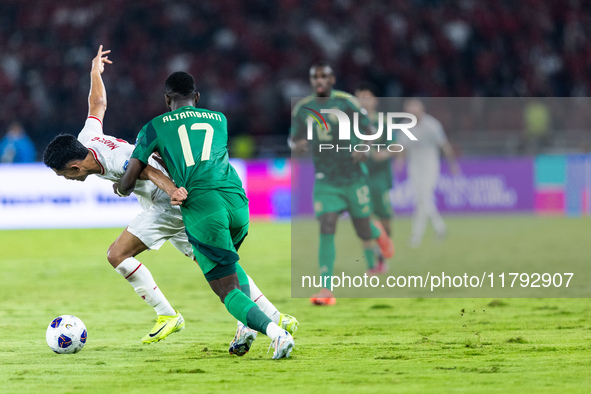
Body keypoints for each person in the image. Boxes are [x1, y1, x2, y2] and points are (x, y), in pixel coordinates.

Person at [43, 47, 298, 354]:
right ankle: (273, 315)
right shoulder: (86, 138)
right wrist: (95, 73)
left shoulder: (115, 159)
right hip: (189, 201)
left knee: (117, 254)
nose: (66, 180)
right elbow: (97, 103)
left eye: (63, 175)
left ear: (73, 167)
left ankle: (167, 314)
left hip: (169, 202)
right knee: (218, 264)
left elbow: (147, 170)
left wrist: (171, 190)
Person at [116, 70, 295, 359]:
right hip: (237, 202)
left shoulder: (154, 127)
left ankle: (276, 333)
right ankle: (245, 327)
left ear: (166, 100)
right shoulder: (219, 119)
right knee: (231, 269)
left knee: (226, 290)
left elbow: (128, 181)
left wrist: (121, 186)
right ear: (196, 97)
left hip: (204, 208)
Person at [290, 63, 394, 305]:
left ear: (332, 79)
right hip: (325, 180)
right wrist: (299, 146)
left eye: (324, 76)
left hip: (353, 177)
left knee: (363, 230)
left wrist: (364, 148)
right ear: (311, 80)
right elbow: (294, 139)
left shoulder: (347, 103)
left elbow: (370, 131)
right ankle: (326, 289)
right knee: (327, 225)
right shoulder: (303, 108)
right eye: (315, 76)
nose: (319, 80)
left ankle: (378, 233)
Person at [395, 98, 459, 248]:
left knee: (422, 200)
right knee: (423, 199)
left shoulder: (432, 125)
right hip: (414, 166)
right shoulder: (405, 126)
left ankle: (416, 236)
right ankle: (440, 228)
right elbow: (401, 147)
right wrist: (399, 161)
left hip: (430, 165)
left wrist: (453, 164)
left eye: (414, 107)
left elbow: (444, 145)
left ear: (421, 109)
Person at [354, 83, 394, 274]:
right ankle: (371, 265)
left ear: (375, 101)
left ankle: (382, 258)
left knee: (385, 221)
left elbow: (394, 146)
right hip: (360, 179)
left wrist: (384, 153)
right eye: (359, 97)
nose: (363, 101)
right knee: (364, 220)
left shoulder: (383, 123)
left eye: (367, 97)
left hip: (379, 177)